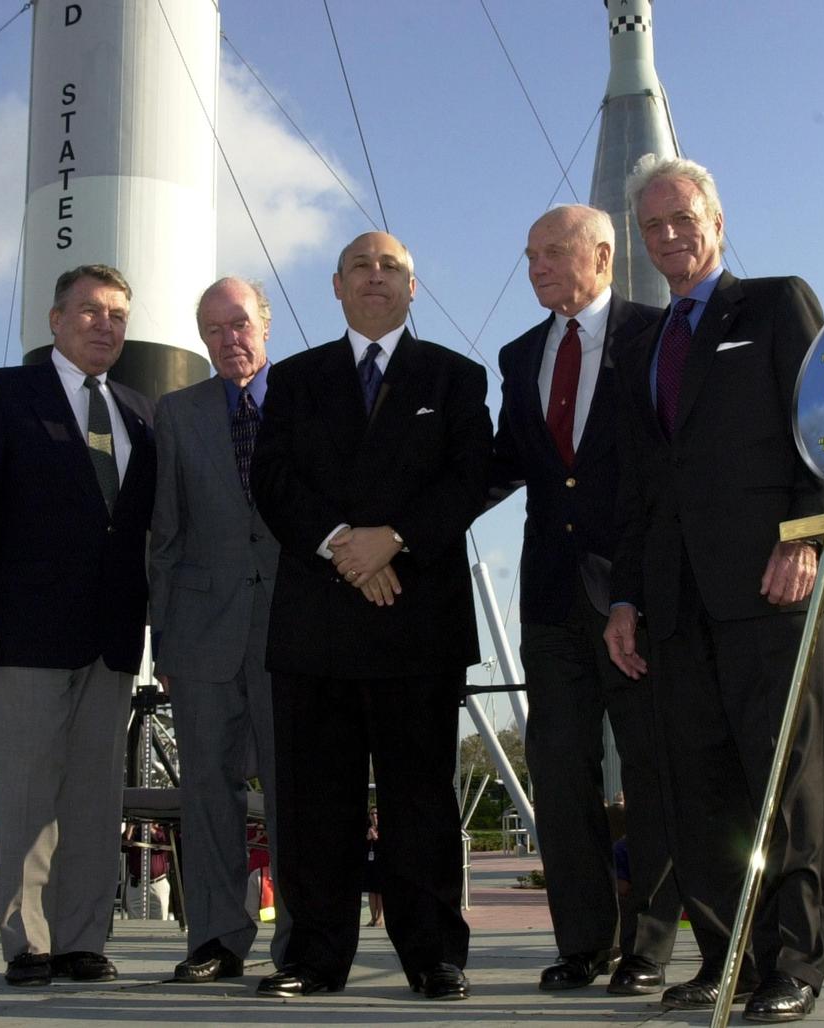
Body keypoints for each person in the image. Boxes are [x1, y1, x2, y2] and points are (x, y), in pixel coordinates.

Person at [603, 155, 824, 1022]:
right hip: (672, 600)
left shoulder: (774, 305)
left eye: (681, 220)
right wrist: (625, 598)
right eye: (652, 227)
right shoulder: (643, 343)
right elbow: (637, 484)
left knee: (787, 781)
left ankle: (796, 966)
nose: (667, 237)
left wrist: (809, 531)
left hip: (770, 583)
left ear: (717, 221)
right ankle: (726, 954)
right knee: (697, 788)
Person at [251, 231, 492, 1001]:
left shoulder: (455, 377)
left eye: (391, 268)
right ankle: (314, 958)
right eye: (362, 265)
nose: (376, 277)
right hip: (317, 624)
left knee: (420, 799)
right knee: (318, 805)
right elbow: (273, 479)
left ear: (413, 289)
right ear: (335, 285)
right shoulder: (291, 379)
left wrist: (394, 541)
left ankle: (434, 956)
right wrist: (340, 546)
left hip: (416, 621)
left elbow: (469, 479)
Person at [0, 264, 156, 987]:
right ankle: (27, 945)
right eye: (91, 312)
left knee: (95, 800)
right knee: (28, 794)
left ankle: (82, 940)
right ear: (55, 319)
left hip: (112, 638)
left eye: (118, 316)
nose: (105, 326)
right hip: (25, 634)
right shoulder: (1, 394)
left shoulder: (138, 411)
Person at [487, 204, 679, 995]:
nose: (534, 266)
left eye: (552, 252)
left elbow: (665, 471)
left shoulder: (658, 336)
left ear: (602, 255)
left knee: (650, 769)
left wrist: (634, 588)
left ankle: (651, 948)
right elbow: (502, 464)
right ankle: (582, 944)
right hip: (550, 601)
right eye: (529, 253)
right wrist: (399, 527)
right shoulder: (518, 354)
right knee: (559, 769)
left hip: (635, 593)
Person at [149, 275, 291, 983]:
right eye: (213, 329)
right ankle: (216, 939)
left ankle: (301, 944)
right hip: (201, 636)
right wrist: (163, 641)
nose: (229, 339)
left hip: (293, 629)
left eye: (239, 324)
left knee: (296, 788)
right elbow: (164, 536)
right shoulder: (177, 414)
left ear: (265, 323)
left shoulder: (306, 397)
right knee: (209, 791)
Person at [122, 822, 172, 920]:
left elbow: (163, 842)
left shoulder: (162, 830)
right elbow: (124, 845)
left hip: (158, 883)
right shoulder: (135, 832)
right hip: (136, 884)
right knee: (134, 921)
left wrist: (149, 827)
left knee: (160, 920)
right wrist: (132, 825)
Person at [364, 806, 383, 927]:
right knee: (371, 892)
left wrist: (375, 838)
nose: (374, 815)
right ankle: (373, 918)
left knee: (380, 892)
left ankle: (380, 918)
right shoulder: (367, 829)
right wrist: (367, 837)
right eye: (372, 814)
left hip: (381, 863)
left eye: (376, 813)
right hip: (370, 864)